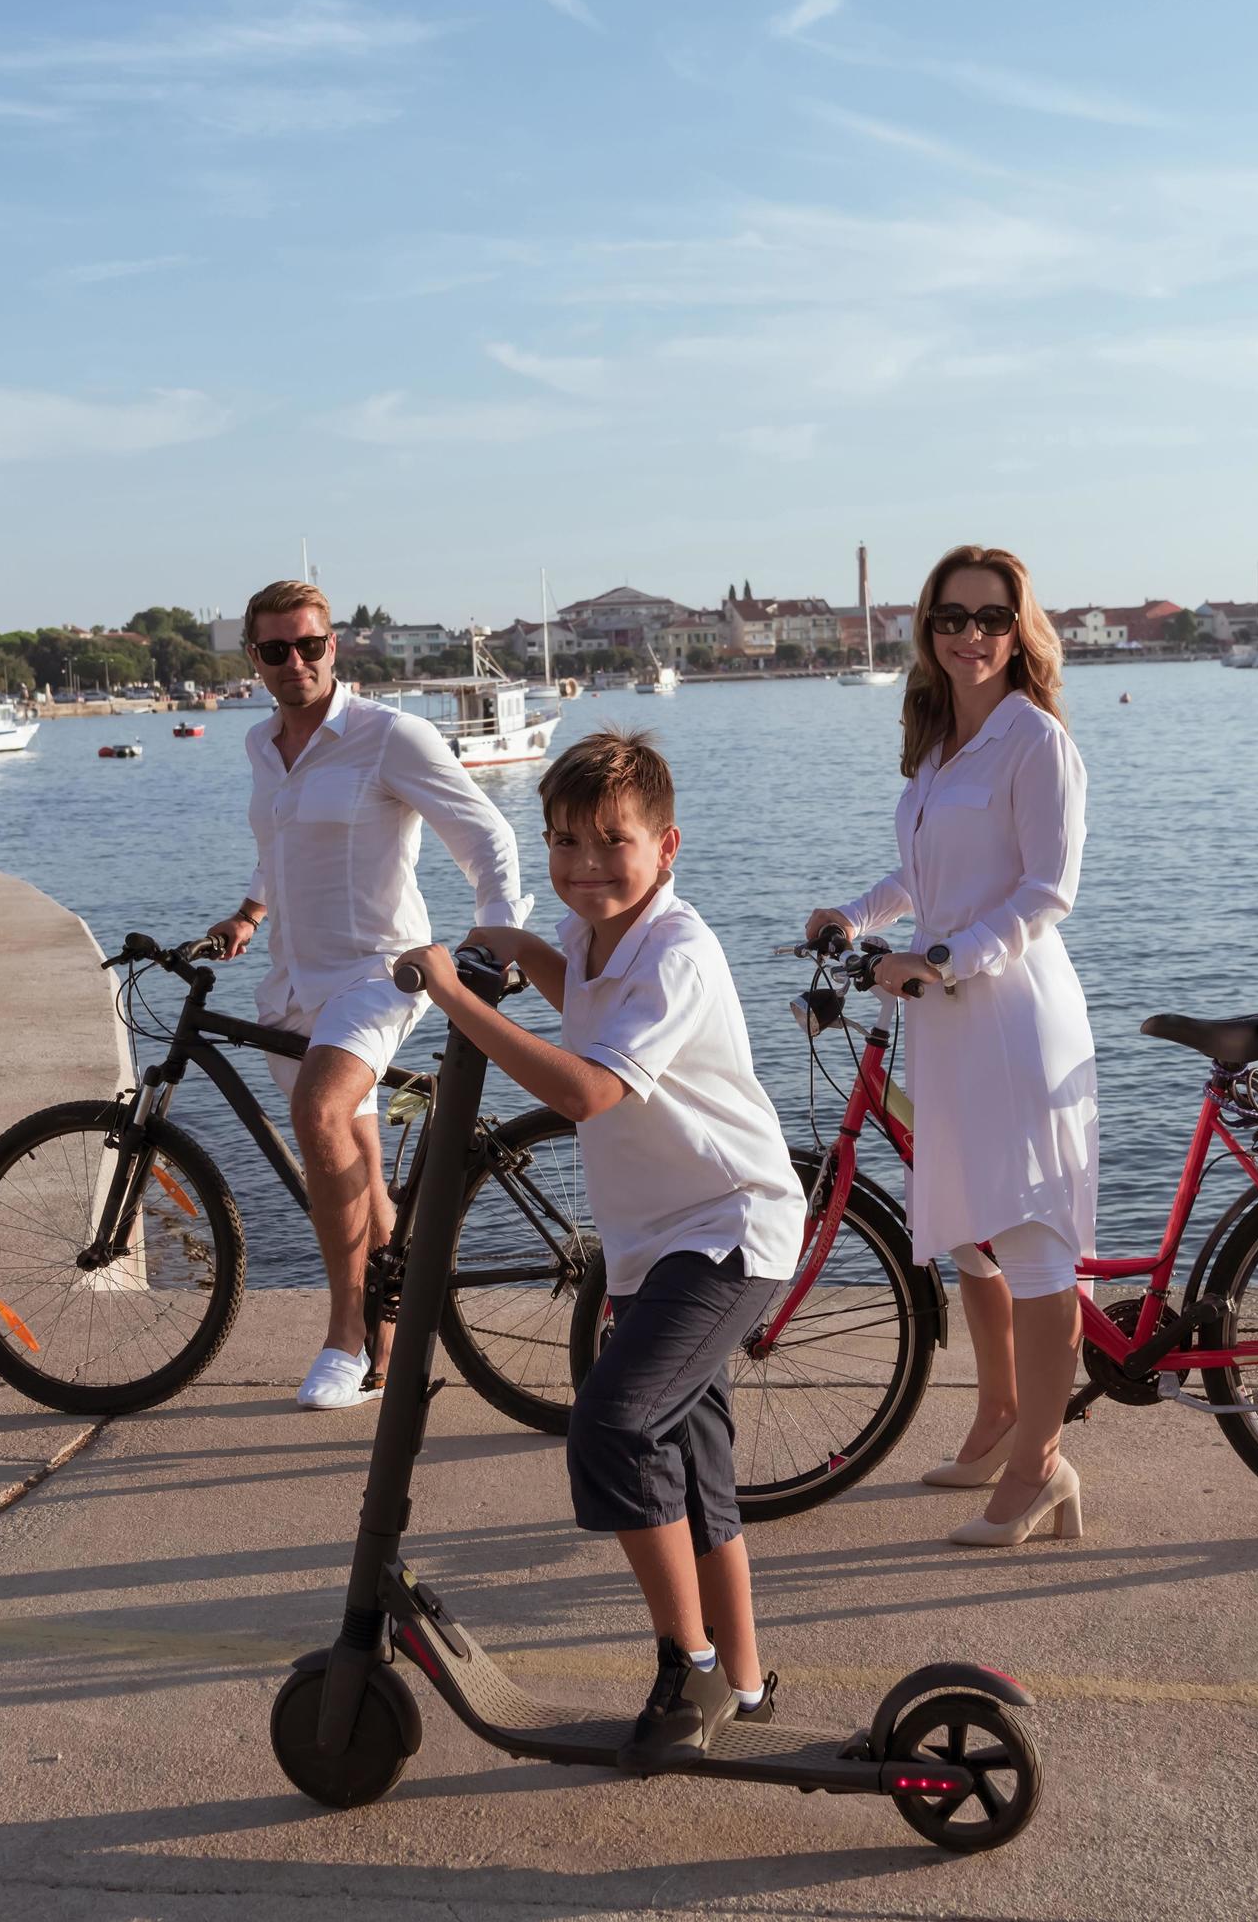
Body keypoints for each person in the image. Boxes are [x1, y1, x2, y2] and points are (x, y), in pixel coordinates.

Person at [398, 727, 801, 1766]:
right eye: (564, 843)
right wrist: (506, 942)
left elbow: (585, 1088)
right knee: (695, 1459)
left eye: (611, 843)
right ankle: (745, 1683)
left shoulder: (678, 951)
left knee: (615, 1430)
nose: (584, 866)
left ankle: (690, 1662)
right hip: (661, 1241)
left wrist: (453, 995)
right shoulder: (591, 937)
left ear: (667, 848)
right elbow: (572, 985)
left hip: (728, 1230)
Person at [808, 544, 1096, 1548]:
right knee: (969, 1233)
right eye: (949, 618)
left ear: (1021, 631)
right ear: (926, 631)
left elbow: (1046, 890)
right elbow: (924, 871)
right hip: (943, 1016)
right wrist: (852, 913)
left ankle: (1040, 1468)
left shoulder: (1035, 741)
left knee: (1033, 1243)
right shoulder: (938, 745)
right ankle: (995, 1418)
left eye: (989, 617)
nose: (969, 635)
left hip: (1011, 1015)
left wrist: (945, 959)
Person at [203, 582, 529, 1412]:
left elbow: (486, 835)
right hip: (292, 978)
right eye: (276, 650)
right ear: (254, 658)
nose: (296, 661)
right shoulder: (260, 744)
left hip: (377, 976)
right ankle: (390, 1347)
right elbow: (280, 844)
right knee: (352, 1158)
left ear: (333, 646)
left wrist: (495, 943)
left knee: (320, 1114)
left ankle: (344, 1336)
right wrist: (249, 912)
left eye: (310, 644)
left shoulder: (390, 737)